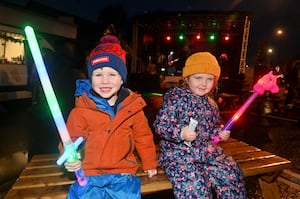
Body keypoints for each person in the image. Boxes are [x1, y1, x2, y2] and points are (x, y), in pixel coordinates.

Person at [60, 34, 158, 199]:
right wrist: (70, 157)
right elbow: (70, 139)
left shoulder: (133, 107)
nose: (105, 80)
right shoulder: (81, 109)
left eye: (112, 74)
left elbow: (143, 136)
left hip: (123, 172)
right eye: (98, 75)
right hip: (89, 172)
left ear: (122, 80)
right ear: (90, 79)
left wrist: (149, 163)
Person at [153, 52, 247, 199]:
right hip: (179, 154)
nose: (204, 83)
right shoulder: (176, 99)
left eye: (209, 79)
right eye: (198, 78)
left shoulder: (211, 105)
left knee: (231, 174)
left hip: (206, 151)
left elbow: (210, 130)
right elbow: (160, 125)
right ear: (187, 78)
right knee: (195, 185)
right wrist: (180, 133)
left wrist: (219, 134)